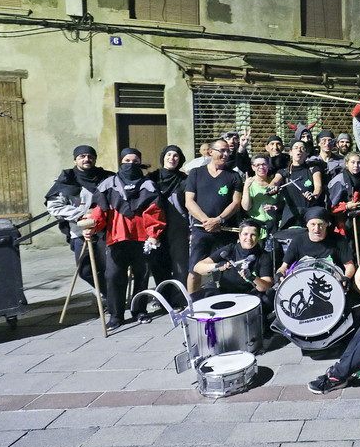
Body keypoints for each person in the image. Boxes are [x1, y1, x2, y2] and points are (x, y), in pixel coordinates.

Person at [86, 148, 166, 328]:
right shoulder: (108, 184)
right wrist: (92, 227)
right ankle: (116, 315)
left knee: (142, 276)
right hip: (117, 238)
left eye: (135, 161)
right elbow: (99, 211)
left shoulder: (148, 185)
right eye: (127, 160)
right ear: (121, 162)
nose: (131, 164)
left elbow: (155, 212)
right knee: (114, 276)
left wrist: (153, 234)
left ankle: (140, 310)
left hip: (142, 239)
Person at [45, 145, 113, 300]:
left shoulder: (106, 178)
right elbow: (54, 206)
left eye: (90, 156)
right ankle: (108, 293)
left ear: (95, 159)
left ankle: (111, 299)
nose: (86, 159)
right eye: (82, 156)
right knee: (85, 270)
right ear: (75, 160)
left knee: (107, 268)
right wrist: (82, 215)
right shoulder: (67, 180)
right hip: (80, 232)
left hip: (105, 231)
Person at [185, 138, 243, 294]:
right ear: (211, 152)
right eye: (222, 150)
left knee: (227, 268)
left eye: (228, 151)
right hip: (201, 229)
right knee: (195, 269)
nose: (225, 154)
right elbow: (189, 202)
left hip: (225, 229)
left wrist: (219, 220)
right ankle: (193, 305)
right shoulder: (196, 173)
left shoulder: (234, 176)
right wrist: (207, 222)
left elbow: (236, 203)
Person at [191, 219, 275, 312]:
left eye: (253, 235)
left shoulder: (263, 256)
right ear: (239, 235)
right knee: (196, 298)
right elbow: (197, 267)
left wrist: (253, 278)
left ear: (258, 236)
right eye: (245, 234)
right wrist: (217, 266)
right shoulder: (230, 249)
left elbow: (267, 286)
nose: (249, 238)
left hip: (249, 296)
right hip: (225, 294)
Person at [276, 207, 355, 284]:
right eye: (313, 224)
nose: (317, 229)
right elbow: (284, 267)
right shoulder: (298, 241)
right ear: (307, 224)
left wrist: (346, 277)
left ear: (327, 224)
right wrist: (280, 273)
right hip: (304, 282)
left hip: (331, 282)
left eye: (320, 224)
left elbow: (349, 265)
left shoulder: (338, 240)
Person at [148, 145, 190, 288]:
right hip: (156, 227)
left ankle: (179, 297)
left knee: (180, 264)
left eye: (176, 155)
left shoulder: (185, 179)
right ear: (163, 157)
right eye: (169, 155)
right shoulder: (152, 177)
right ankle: (162, 296)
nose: (172, 158)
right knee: (158, 263)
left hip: (178, 227)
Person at [328, 151, 360, 255]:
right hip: (343, 225)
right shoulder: (339, 181)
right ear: (346, 164)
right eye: (353, 162)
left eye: (359, 163)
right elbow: (331, 207)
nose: (356, 165)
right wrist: (347, 206)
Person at [272, 140, 321, 229]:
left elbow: (318, 186)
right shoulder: (284, 172)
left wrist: (314, 195)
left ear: (306, 153)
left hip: (309, 213)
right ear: (291, 152)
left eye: (302, 148)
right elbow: (274, 182)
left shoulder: (313, 169)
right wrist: (273, 187)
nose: (299, 150)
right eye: (296, 148)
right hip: (291, 214)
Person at [241, 153, 282, 236]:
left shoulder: (274, 182)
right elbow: (246, 207)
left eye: (264, 164)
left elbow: (282, 203)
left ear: (268, 166)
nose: (261, 167)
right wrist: (246, 188)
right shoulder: (249, 183)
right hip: (257, 228)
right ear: (253, 167)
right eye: (257, 165)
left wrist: (275, 207)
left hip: (275, 226)